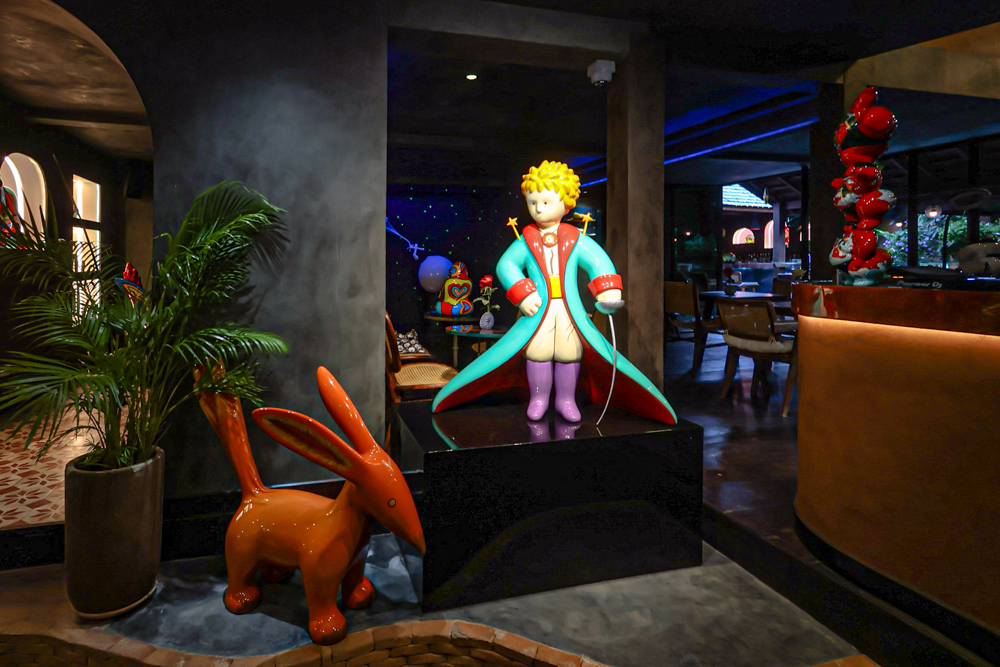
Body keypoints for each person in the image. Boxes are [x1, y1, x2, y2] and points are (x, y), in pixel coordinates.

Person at [432, 160, 676, 425]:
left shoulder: (576, 238)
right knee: (538, 352)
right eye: (532, 202)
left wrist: (607, 292)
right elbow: (506, 265)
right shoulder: (526, 239)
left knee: (569, 353)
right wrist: (523, 293)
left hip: (569, 310)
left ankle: (565, 400)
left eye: (546, 202)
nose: (538, 208)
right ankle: (539, 399)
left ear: (567, 203)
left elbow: (598, 262)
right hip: (539, 310)